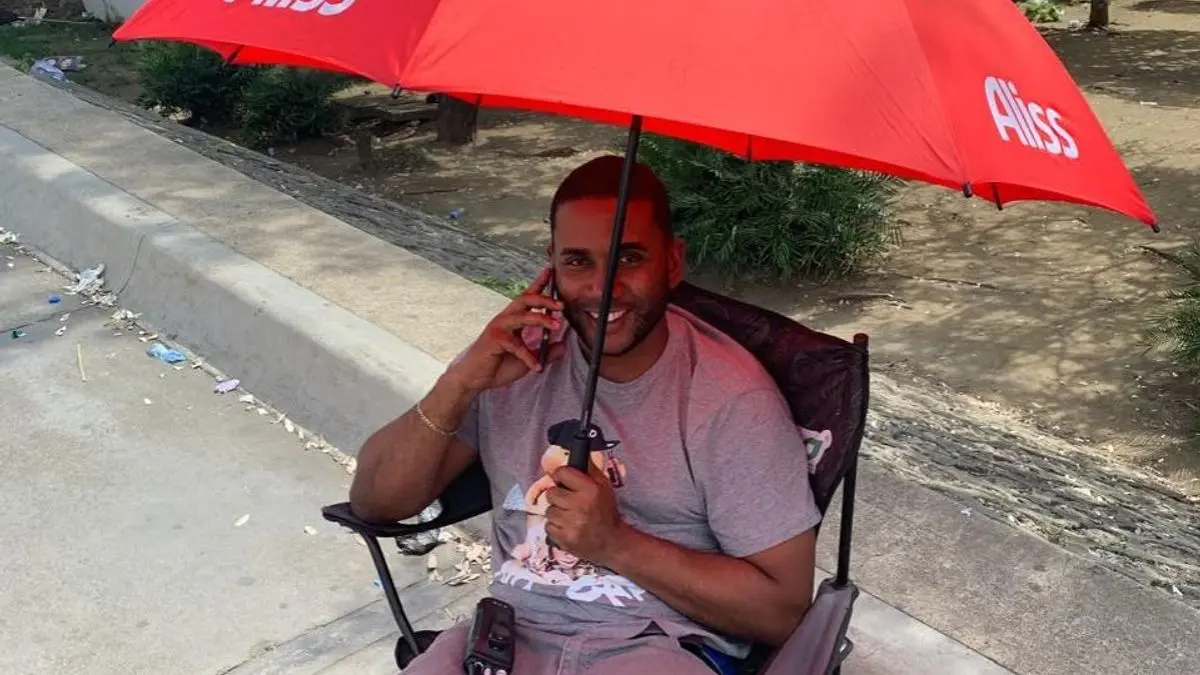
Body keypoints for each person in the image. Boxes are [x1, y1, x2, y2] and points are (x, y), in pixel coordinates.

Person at [349, 155, 821, 675]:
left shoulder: (729, 401)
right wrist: (459, 384)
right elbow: (374, 502)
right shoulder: (513, 360)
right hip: (505, 641)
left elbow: (782, 612)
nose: (602, 287)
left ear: (672, 263)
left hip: (653, 648)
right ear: (550, 263)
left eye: (629, 257)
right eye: (578, 262)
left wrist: (616, 544)